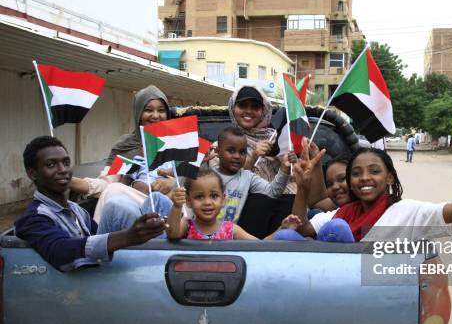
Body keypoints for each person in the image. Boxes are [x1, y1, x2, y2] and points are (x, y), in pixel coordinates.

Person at [291, 121, 452, 242]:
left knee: (337, 229)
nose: (364, 178)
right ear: (351, 182)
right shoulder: (342, 213)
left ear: (389, 177)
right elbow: (302, 229)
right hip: (332, 288)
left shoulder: (407, 212)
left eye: (374, 171)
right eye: (356, 173)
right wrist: (302, 186)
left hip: (379, 295)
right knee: (289, 238)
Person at [14, 136, 165, 272]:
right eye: (51, 165)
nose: (63, 170)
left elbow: (99, 236)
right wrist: (128, 236)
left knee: (156, 200)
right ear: (33, 173)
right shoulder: (33, 218)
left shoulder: (77, 210)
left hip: (96, 282)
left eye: (66, 163)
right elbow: (60, 251)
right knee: (116, 205)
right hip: (70, 293)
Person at [209, 85, 327, 237]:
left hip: (286, 217)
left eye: (255, 107)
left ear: (264, 111)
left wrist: (286, 166)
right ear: (233, 108)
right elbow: (228, 181)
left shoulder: (281, 138)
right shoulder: (219, 146)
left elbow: (280, 188)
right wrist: (253, 156)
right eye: (242, 105)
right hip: (239, 223)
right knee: (259, 200)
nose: (248, 111)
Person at [68, 85, 176, 222]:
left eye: (161, 111)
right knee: (113, 189)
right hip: (136, 205)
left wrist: (172, 182)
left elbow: (196, 178)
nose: (155, 116)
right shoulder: (126, 146)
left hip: (174, 206)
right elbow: (106, 184)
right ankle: (101, 240)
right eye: (148, 110)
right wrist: (69, 180)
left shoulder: (178, 141)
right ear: (138, 114)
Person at [167, 167, 301, 240]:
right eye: (199, 197)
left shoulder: (231, 229)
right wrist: (177, 206)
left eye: (214, 196)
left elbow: (260, 246)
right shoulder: (187, 224)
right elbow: (173, 233)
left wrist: (281, 230)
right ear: (188, 201)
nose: (207, 202)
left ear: (223, 199)